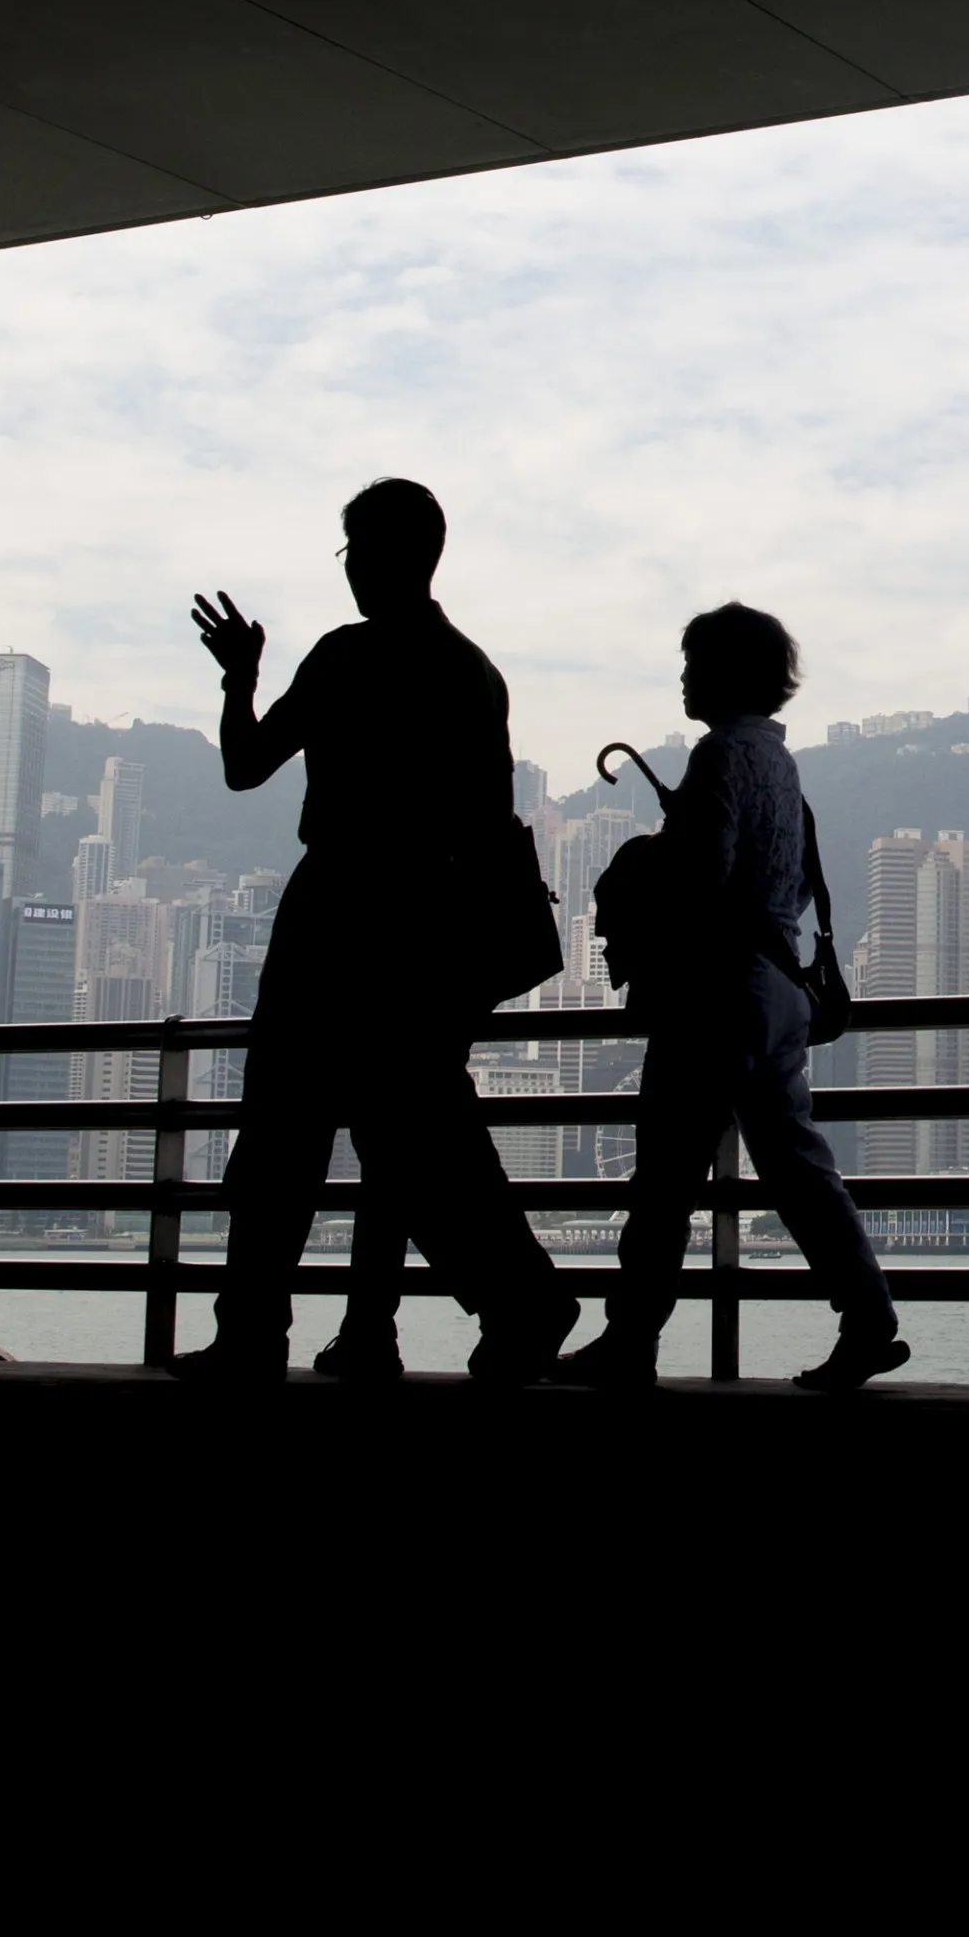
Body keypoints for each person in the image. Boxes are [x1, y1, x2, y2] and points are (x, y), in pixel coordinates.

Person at [166, 479, 579, 1384]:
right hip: (434, 926)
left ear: (380, 557)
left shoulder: (345, 657)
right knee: (419, 1136)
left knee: (283, 1133)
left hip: (336, 914)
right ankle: (494, 1304)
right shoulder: (476, 675)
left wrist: (241, 679)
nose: (349, 568)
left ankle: (253, 1333)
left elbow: (244, 767)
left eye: (352, 550)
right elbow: (490, 822)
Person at [556, 603, 906, 1392]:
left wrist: (644, 859)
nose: (683, 676)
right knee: (799, 1167)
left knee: (665, 1178)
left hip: (715, 992)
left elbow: (701, 878)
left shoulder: (719, 756)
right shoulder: (780, 762)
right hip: (778, 992)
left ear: (722, 671)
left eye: (692, 662)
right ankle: (870, 1317)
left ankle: (631, 1340)